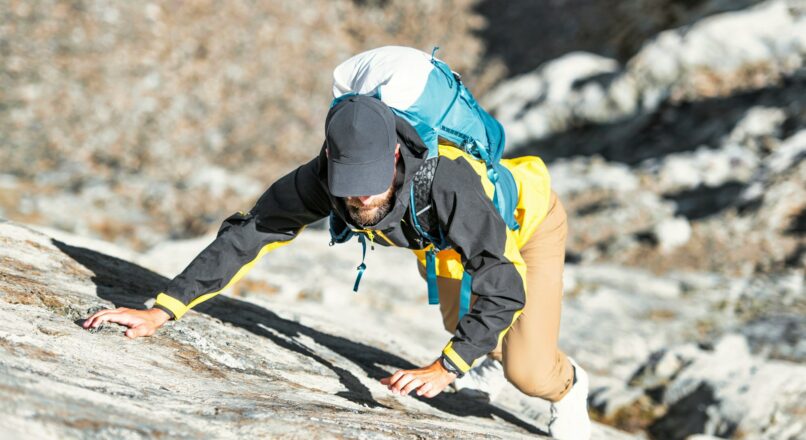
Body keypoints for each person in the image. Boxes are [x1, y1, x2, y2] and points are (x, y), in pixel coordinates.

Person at [82, 95, 592, 439]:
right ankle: (487, 358)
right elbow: (247, 235)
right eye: (351, 182)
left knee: (525, 367)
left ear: (395, 153)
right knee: (467, 328)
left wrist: (447, 368)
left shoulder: (447, 183)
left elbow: (500, 281)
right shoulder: (324, 177)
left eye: (372, 180)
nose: (361, 196)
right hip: (448, 246)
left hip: (525, 226)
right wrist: (163, 311)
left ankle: (570, 387)